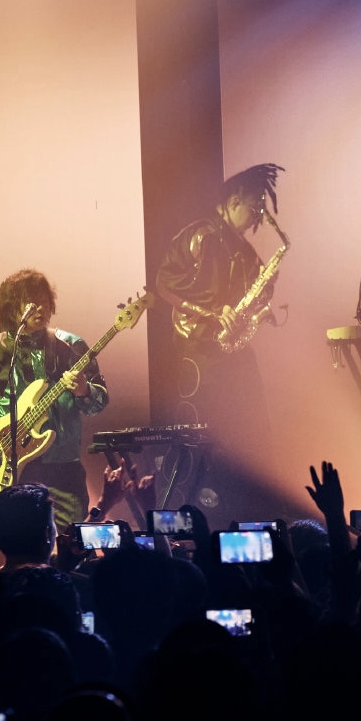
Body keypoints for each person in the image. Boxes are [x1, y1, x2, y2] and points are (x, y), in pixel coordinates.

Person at [154, 163, 284, 510]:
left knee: (252, 419)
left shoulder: (245, 251)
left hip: (231, 346)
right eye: (254, 206)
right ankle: (194, 503)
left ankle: (248, 498)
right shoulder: (200, 235)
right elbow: (165, 283)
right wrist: (214, 311)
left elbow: (256, 291)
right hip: (199, 346)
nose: (258, 214)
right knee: (204, 425)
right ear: (233, 200)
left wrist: (262, 299)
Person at [0, 270, 110, 527]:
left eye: (44, 301)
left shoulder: (70, 346)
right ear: (11, 307)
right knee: (19, 541)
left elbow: (101, 400)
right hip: (9, 467)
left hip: (62, 468)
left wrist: (85, 391)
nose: (41, 308)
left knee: (69, 540)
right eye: (31, 302)